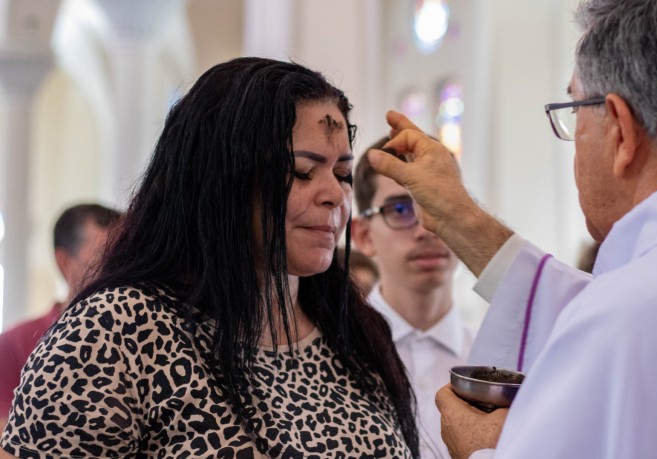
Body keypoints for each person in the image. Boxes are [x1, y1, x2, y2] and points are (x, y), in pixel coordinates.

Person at [365, 0, 657, 457]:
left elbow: (629, 322)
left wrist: (483, 450)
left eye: (574, 111)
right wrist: (459, 216)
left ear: (620, 130)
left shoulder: (644, 308)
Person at [0, 57, 418, 458]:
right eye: (302, 171)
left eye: (342, 174)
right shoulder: (116, 333)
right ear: (224, 179)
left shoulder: (355, 331)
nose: (334, 196)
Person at [351, 137, 474, 459]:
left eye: (439, 204)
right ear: (364, 236)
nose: (426, 229)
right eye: (401, 209)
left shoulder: (497, 358)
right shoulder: (334, 354)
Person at [0, 203, 120, 432]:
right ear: (63, 262)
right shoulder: (13, 344)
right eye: (102, 262)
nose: (116, 276)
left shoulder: (134, 343)